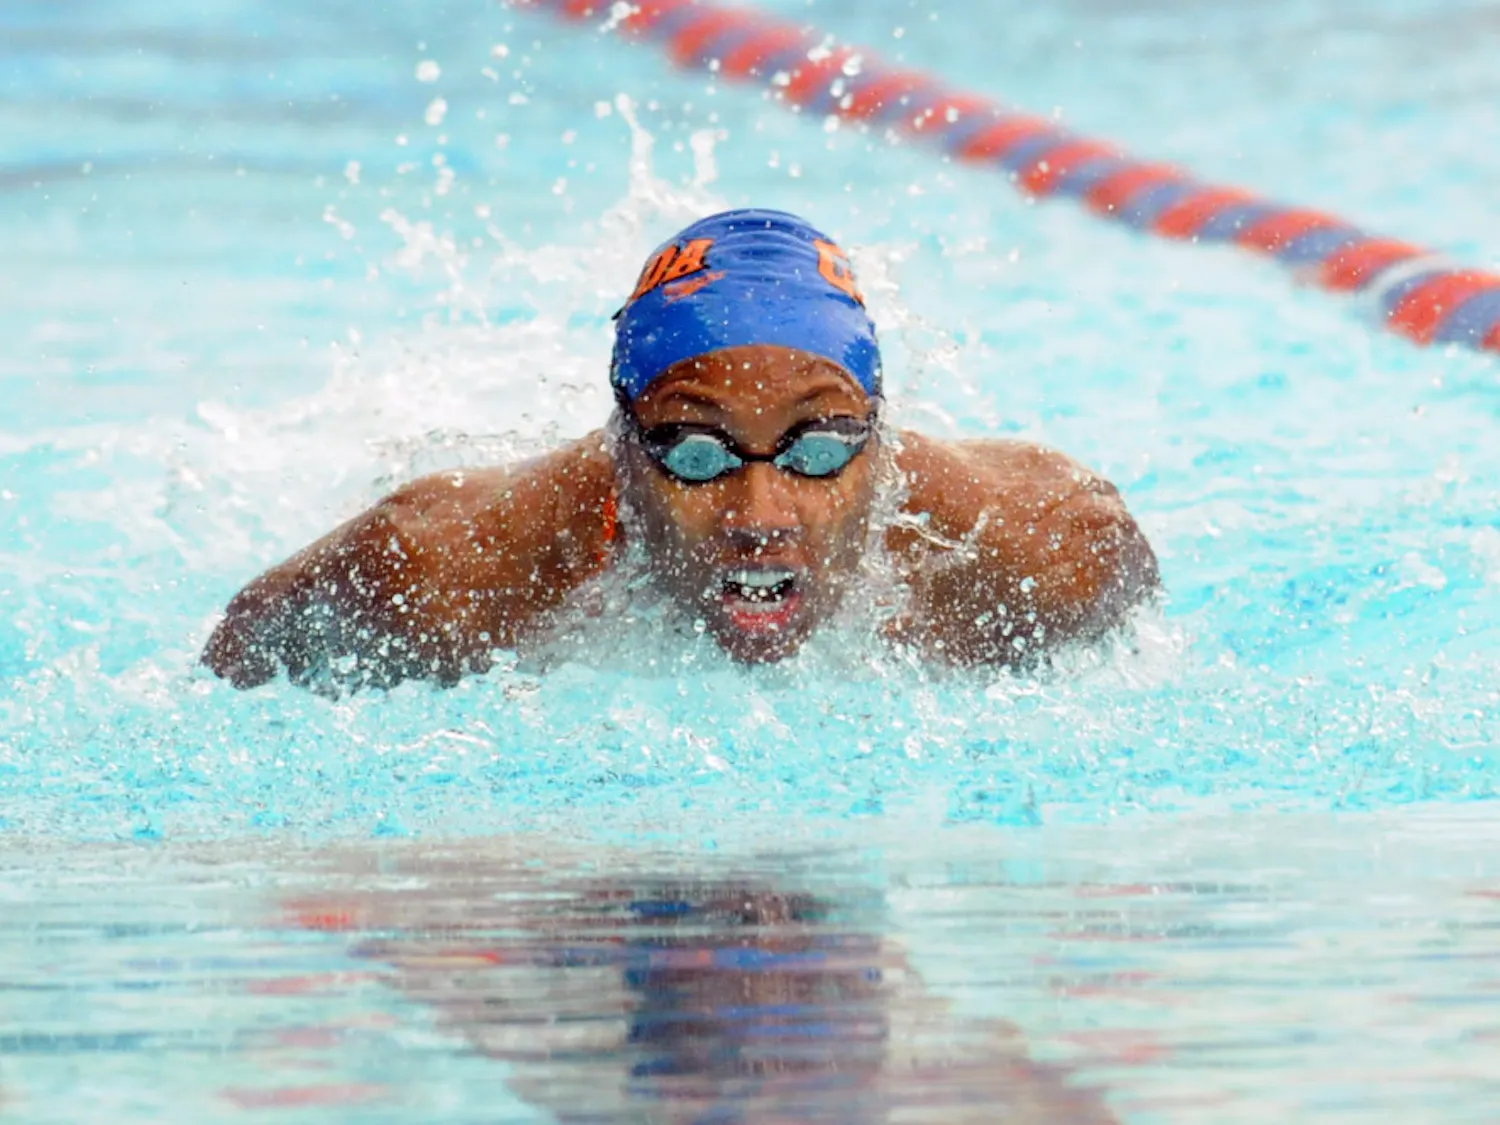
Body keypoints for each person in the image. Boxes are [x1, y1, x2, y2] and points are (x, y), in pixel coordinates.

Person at [203, 209, 1158, 692]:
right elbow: (234, 655)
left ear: (881, 435)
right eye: (696, 453)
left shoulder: (1053, 550)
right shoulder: (439, 570)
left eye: (819, 448)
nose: (760, 515)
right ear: (621, 445)